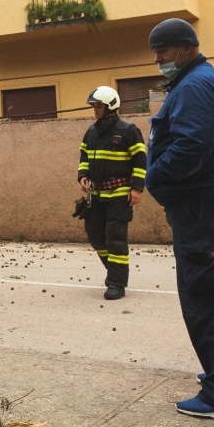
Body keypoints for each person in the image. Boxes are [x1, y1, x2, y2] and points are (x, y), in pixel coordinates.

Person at [144, 17, 214, 420]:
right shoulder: (197, 80)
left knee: (207, 293)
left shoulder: (194, 86)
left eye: (164, 51)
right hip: (210, 201)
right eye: (156, 52)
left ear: (187, 48)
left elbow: (191, 146)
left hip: (200, 204)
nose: (158, 59)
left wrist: (152, 176)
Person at [77, 86, 146, 299]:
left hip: (119, 194)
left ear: (111, 106)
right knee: (96, 237)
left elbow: (140, 160)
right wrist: (83, 176)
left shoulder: (128, 130)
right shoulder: (91, 131)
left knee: (115, 238)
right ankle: (114, 272)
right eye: (94, 106)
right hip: (96, 196)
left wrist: (136, 188)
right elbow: (84, 158)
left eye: (98, 106)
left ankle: (116, 283)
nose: (95, 110)